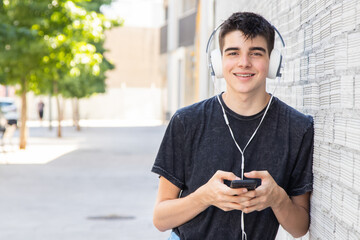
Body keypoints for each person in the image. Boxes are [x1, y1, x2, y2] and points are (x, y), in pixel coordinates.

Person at [152, 12, 313, 240]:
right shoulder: (185, 122)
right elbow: (160, 219)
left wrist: (277, 197)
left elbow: (299, 228)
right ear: (218, 63)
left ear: (273, 62)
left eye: (256, 53)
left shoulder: (298, 128)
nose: (244, 62)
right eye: (233, 53)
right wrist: (204, 197)